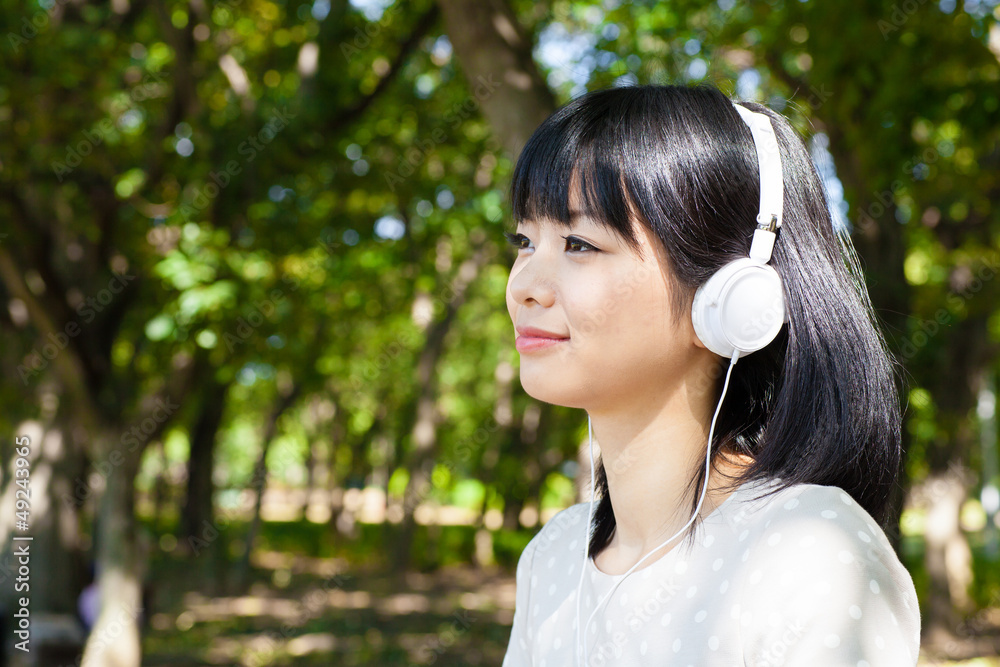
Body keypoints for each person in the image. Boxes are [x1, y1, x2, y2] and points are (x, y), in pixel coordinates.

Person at [500, 83, 920, 666]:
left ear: (729, 300)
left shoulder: (809, 554)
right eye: (524, 240)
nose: (522, 287)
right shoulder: (553, 556)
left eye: (578, 243)